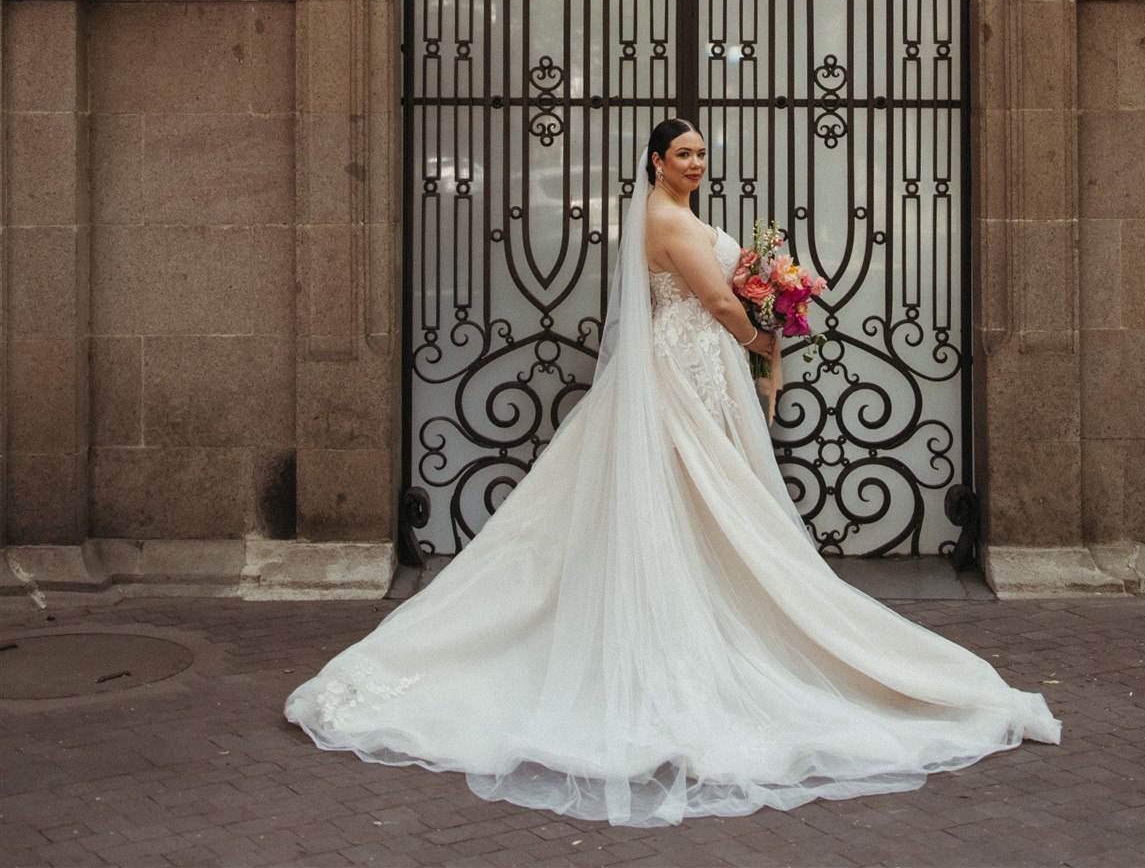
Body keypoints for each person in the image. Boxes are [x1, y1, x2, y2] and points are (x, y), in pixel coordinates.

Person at [285, 118, 1060, 825]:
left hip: (685, 365)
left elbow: (725, 293)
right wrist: (769, 343)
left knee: (696, 495)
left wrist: (769, 300)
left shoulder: (671, 213)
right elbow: (719, 305)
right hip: (686, 370)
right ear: (655, 161)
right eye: (681, 154)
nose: (693, 164)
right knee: (696, 487)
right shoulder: (665, 219)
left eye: (699, 155)